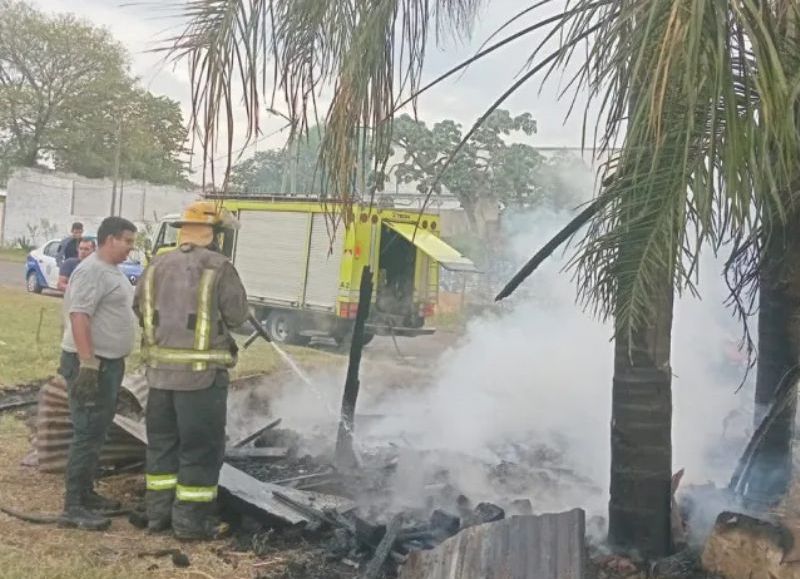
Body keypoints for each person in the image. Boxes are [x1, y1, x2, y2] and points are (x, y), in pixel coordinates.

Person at [134, 201, 249, 540]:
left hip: (158, 379)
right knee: (200, 450)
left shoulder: (156, 264)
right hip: (201, 382)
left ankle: (158, 517)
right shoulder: (219, 267)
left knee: (162, 447)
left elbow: (138, 307)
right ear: (215, 234)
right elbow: (238, 317)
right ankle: (190, 523)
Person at [58, 216, 138, 531]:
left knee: (97, 432)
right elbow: (79, 316)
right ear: (109, 239)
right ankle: (73, 506)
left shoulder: (112, 271)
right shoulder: (91, 271)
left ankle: (87, 494)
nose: (131, 248)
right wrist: (88, 363)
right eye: (127, 241)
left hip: (109, 363)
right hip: (91, 364)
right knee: (87, 432)